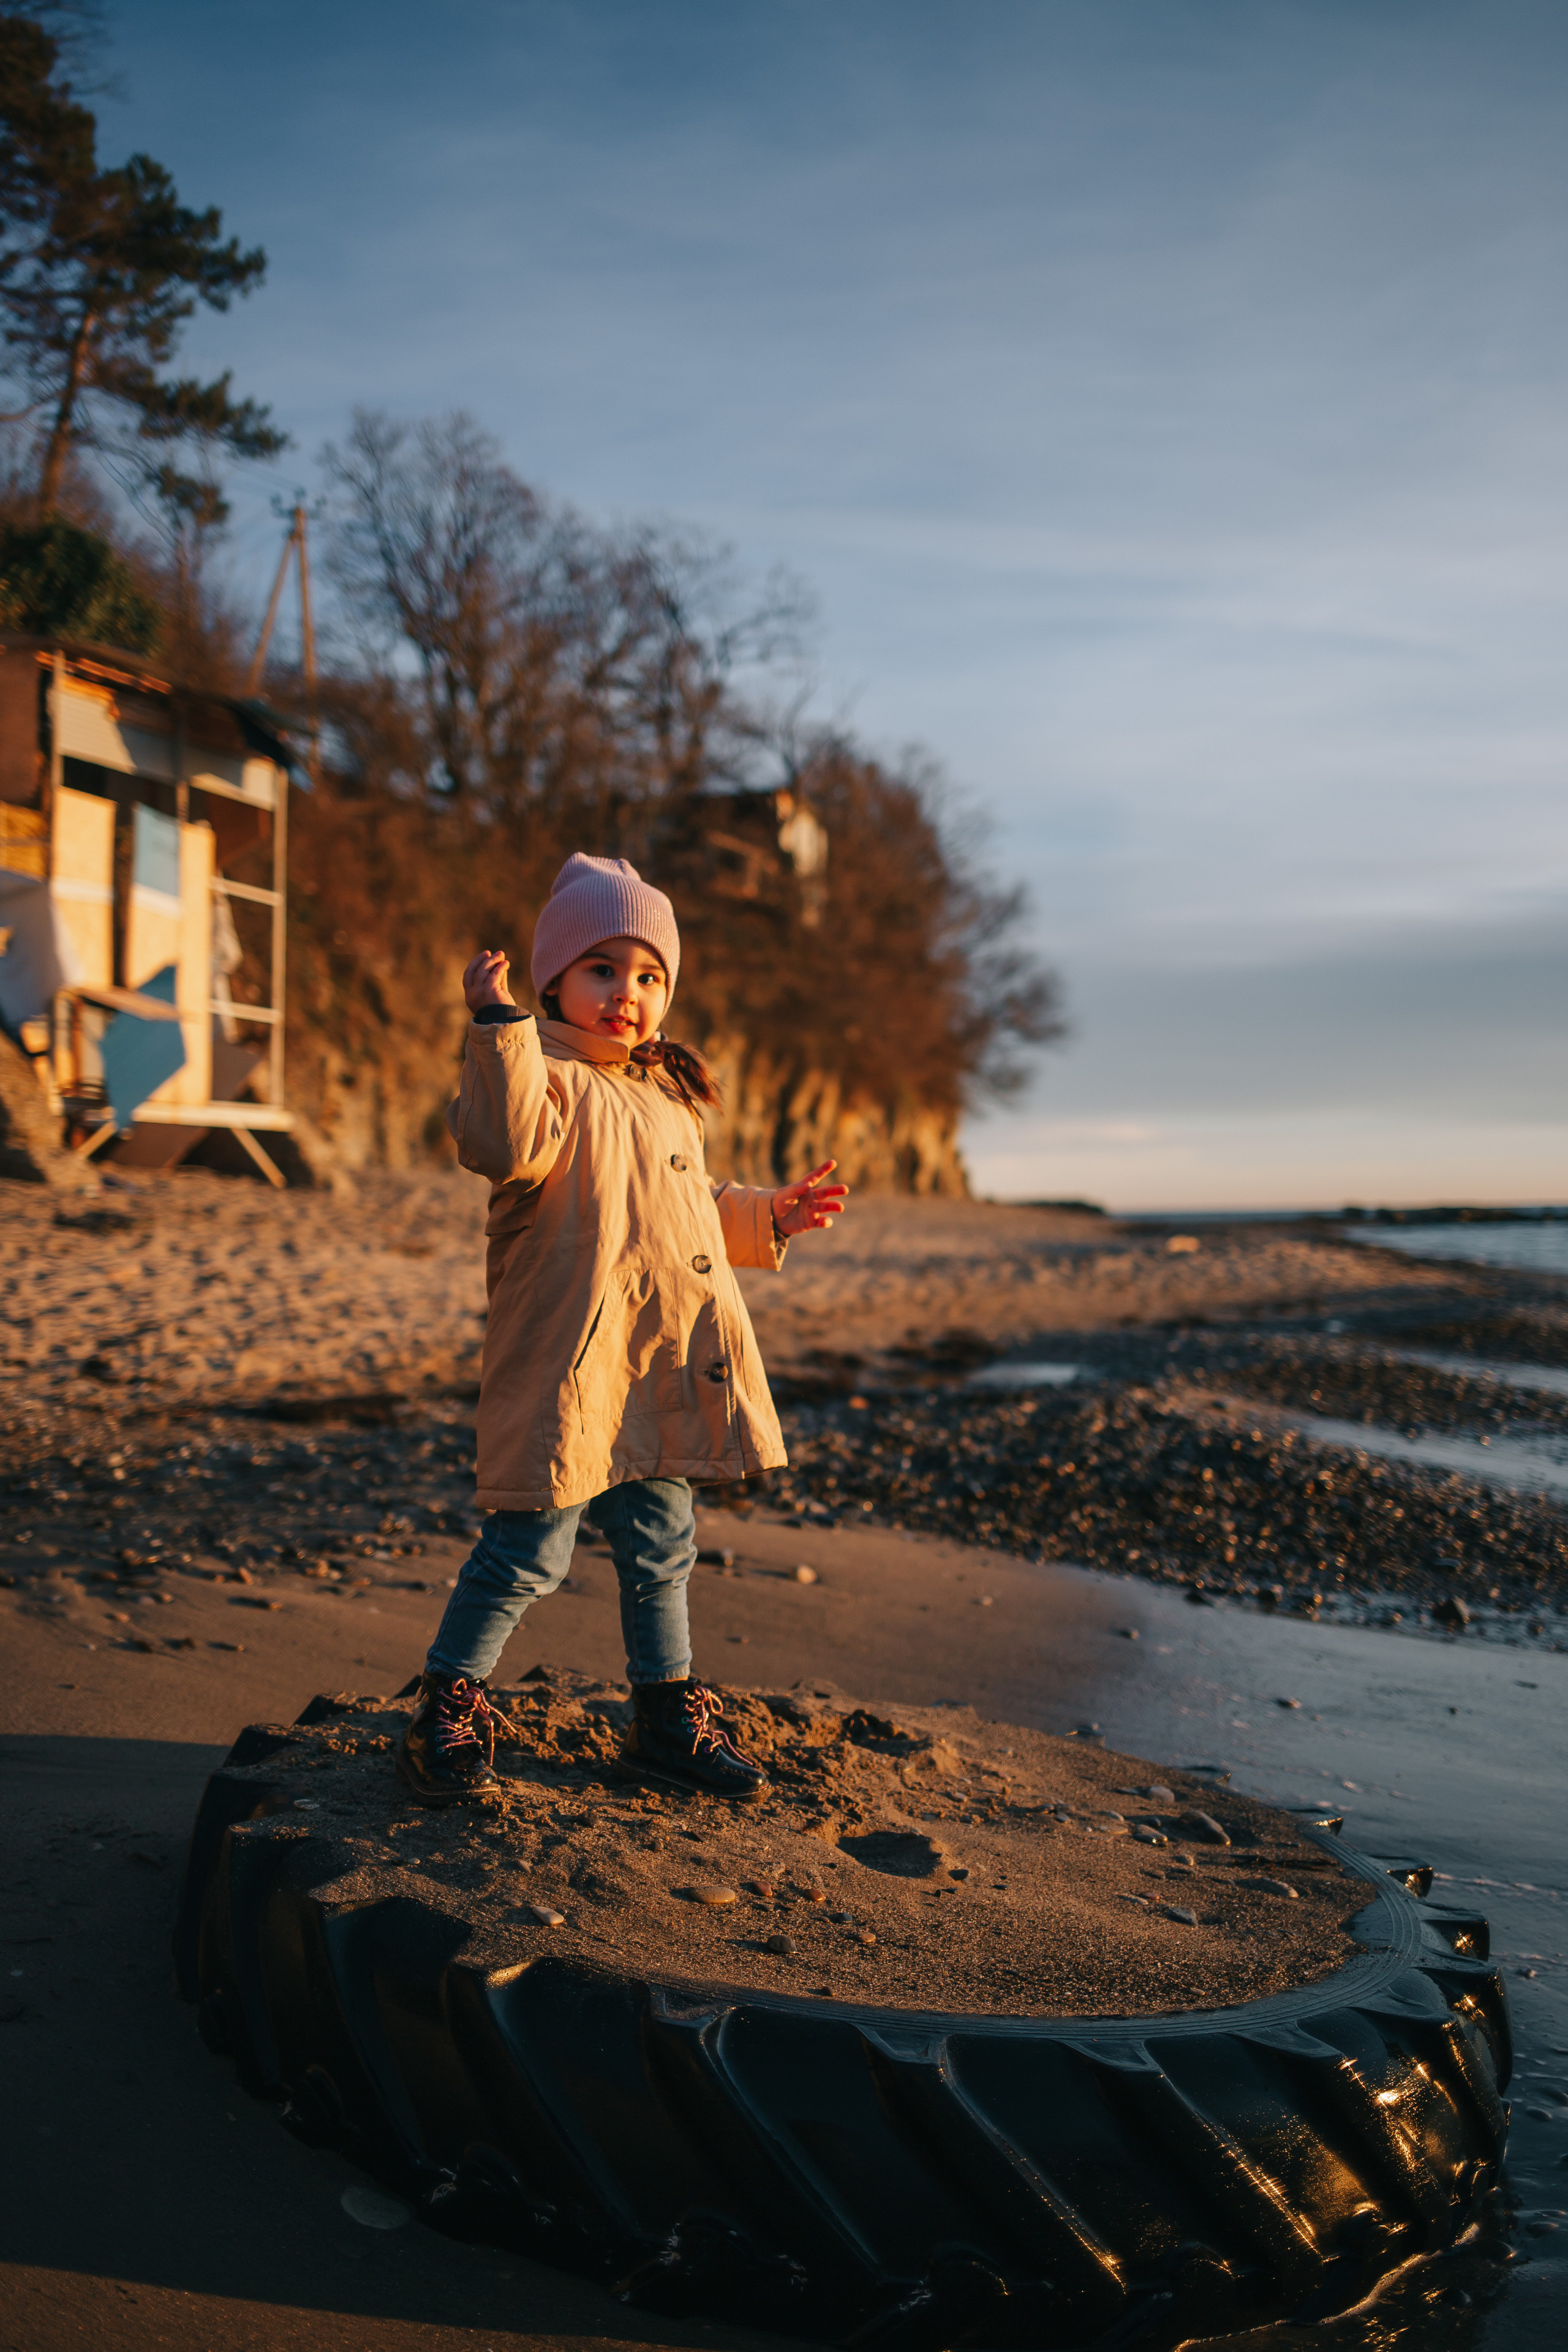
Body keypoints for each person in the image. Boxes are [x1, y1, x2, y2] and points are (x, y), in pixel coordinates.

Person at [397, 851, 846, 1809]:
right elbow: (502, 1142)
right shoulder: (541, 1077)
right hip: (572, 1361)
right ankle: (448, 1696)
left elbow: (684, 1206)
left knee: (663, 1540)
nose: (627, 995)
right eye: (603, 969)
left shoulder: (663, 1094)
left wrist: (768, 1215)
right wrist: (496, 1026)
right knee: (531, 1544)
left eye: (648, 977)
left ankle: (664, 1714)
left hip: (660, 1357)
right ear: (554, 977)